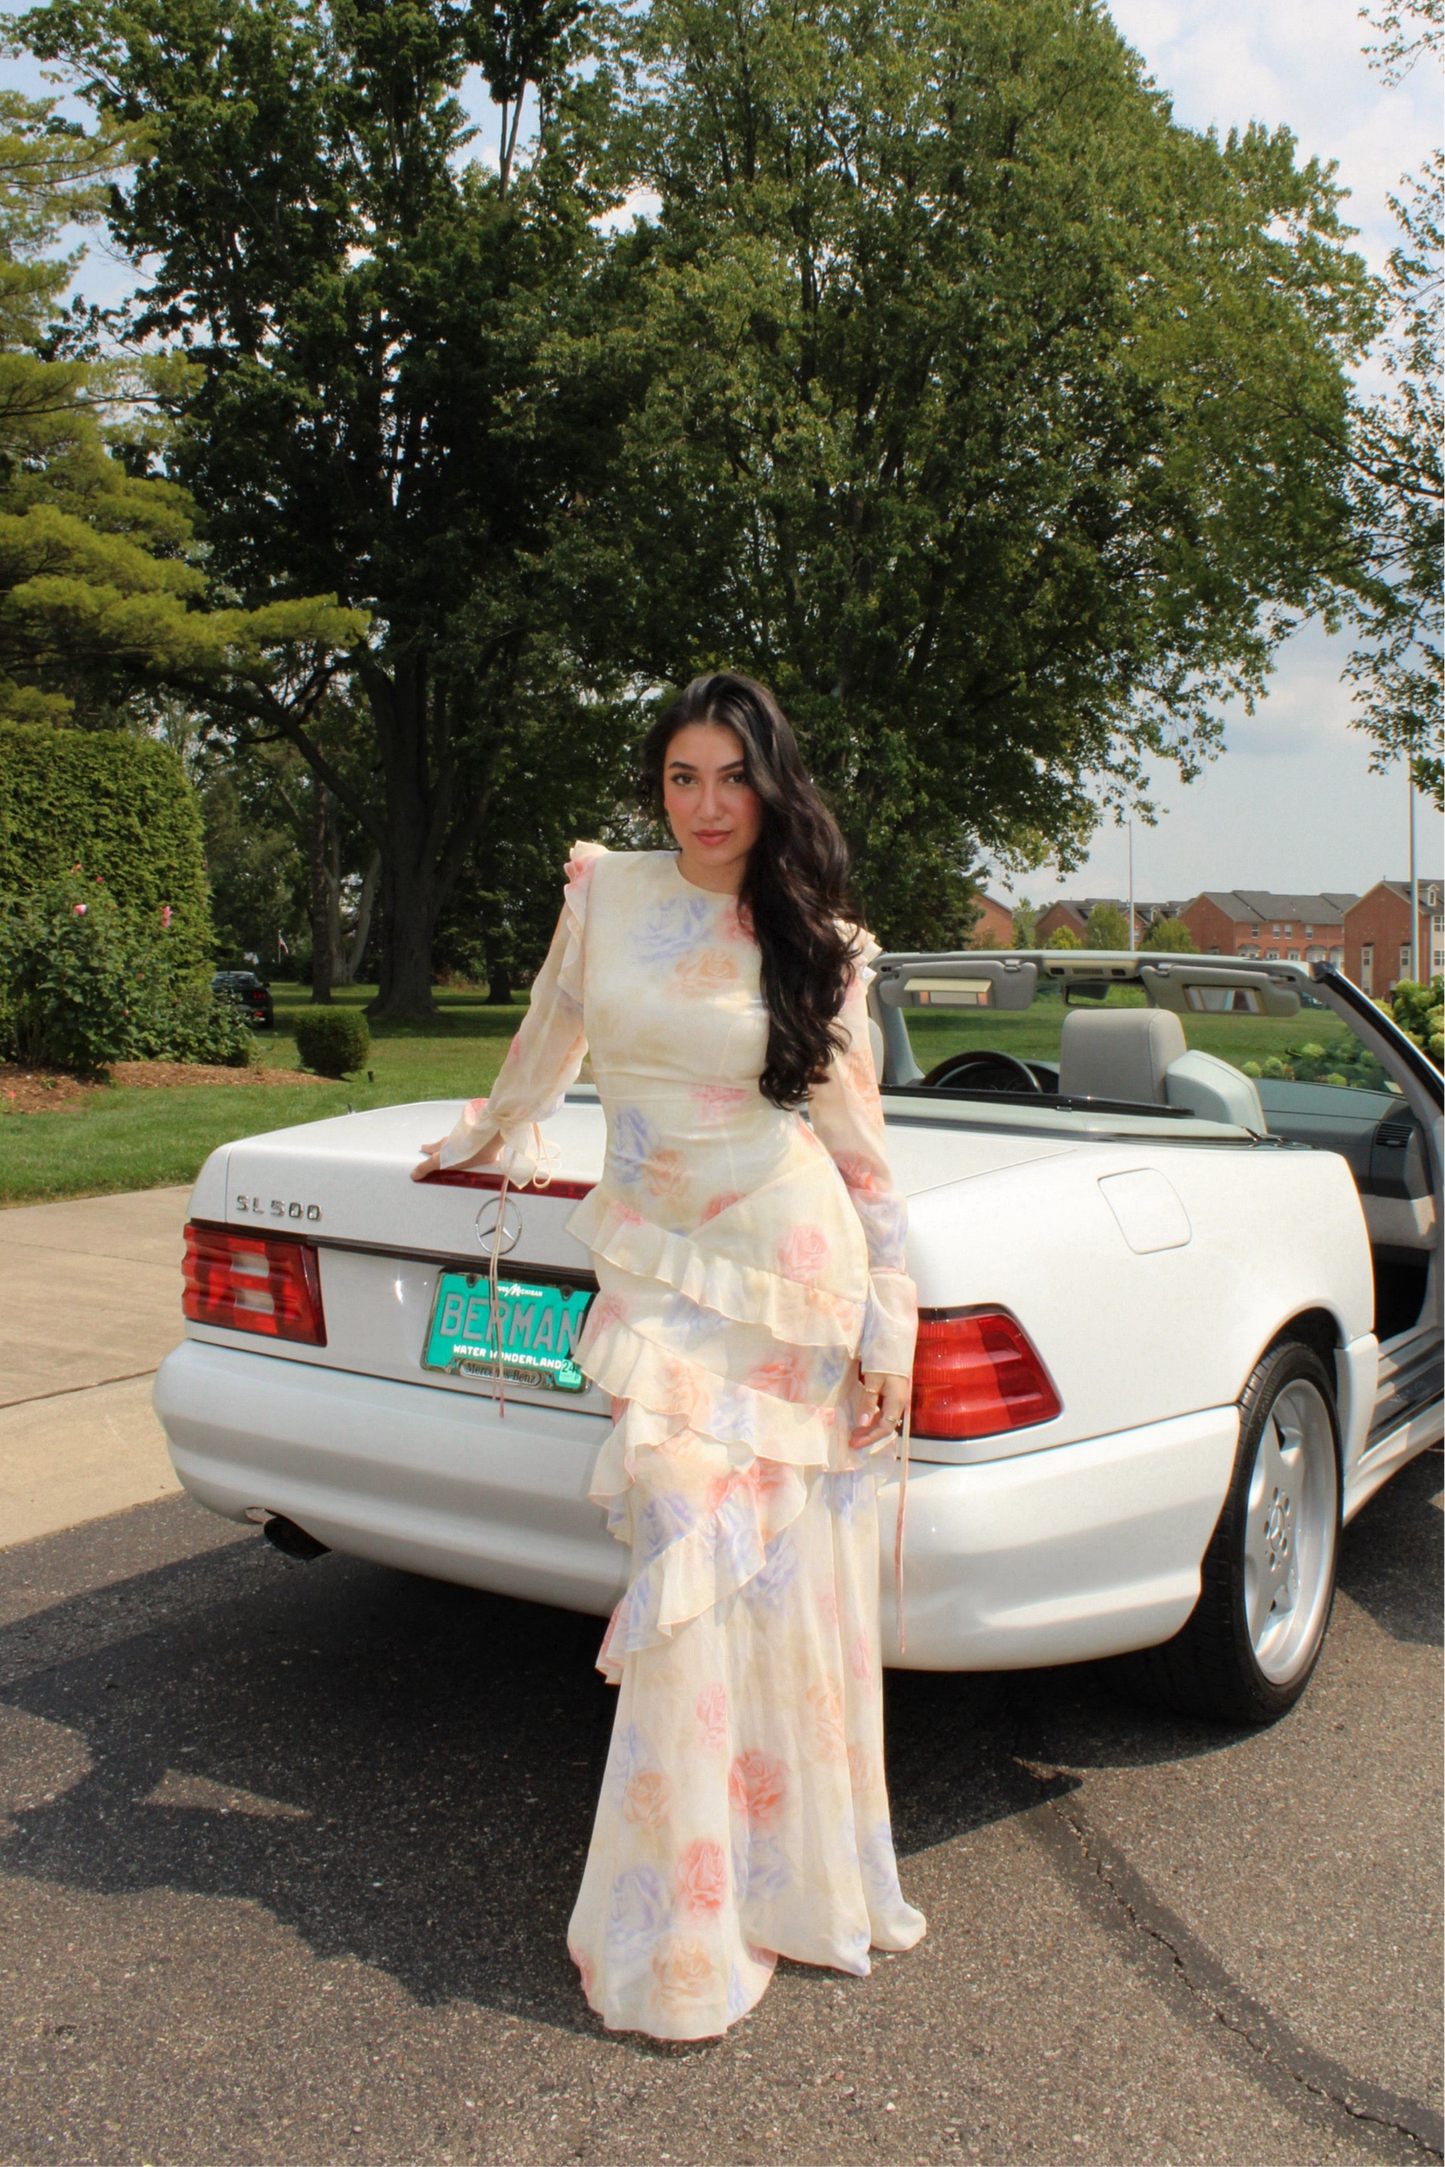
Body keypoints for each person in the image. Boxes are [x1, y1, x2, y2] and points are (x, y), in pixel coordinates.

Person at [412, 672, 924, 2039]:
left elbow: (859, 1146)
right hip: (656, 1257)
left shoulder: (816, 936)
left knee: (771, 1578)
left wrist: (891, 1324)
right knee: (690, 1542)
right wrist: (487, 1125)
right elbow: (552, 1030)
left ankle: (770, 1883)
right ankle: (680, 1918)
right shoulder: (609, 891)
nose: (705, 805)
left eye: (730, 778)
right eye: (682, 776)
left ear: (771, 787)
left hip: (786, 1271)